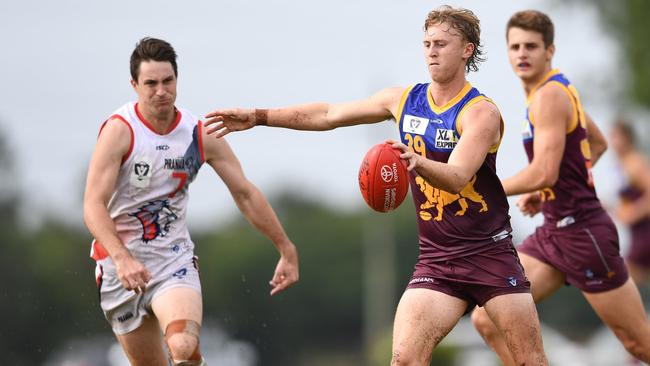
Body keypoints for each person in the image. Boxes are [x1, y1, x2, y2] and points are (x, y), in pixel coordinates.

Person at [204, 6, 548, 366]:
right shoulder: (403, 100)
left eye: (442, 44)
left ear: (467, 50)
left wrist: (417, 162)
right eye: (427, 43)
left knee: (530, 360)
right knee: (403, 359)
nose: (431, 51)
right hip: (438, 260)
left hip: (488, 254)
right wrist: (259, 117)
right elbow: (328, 115)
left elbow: (459, 175)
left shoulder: (480, 112)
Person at [83, 37, 299, 366]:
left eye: (168, 81)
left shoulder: (198, 134)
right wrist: (122, 258)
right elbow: (93, 205)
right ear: (134, 85)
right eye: (151, 83)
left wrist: (285, 247)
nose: (161, 91)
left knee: (183, 346)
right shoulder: (120, 131)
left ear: (177, 80)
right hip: (118, 269)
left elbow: (245, 193)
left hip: (173, 262)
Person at [470, 10, 650, 365]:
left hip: (585, 236)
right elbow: (595, 144)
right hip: (554, 233)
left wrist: (485, 187)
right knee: (488, 318)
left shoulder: (550, 96)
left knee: (638, 344)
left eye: (532, 46)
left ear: (549, 51)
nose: (522, 54)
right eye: (515, 46)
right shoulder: (546, 93)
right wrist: (545, 190)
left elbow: (544, 171)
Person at [610, 120, 650, 286]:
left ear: (627, 138)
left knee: (622, 279)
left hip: (646, 231)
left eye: (615, 136)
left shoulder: (635, 162)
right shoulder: (621, 165)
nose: (611, 141)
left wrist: (633, 213)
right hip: (636, 234)